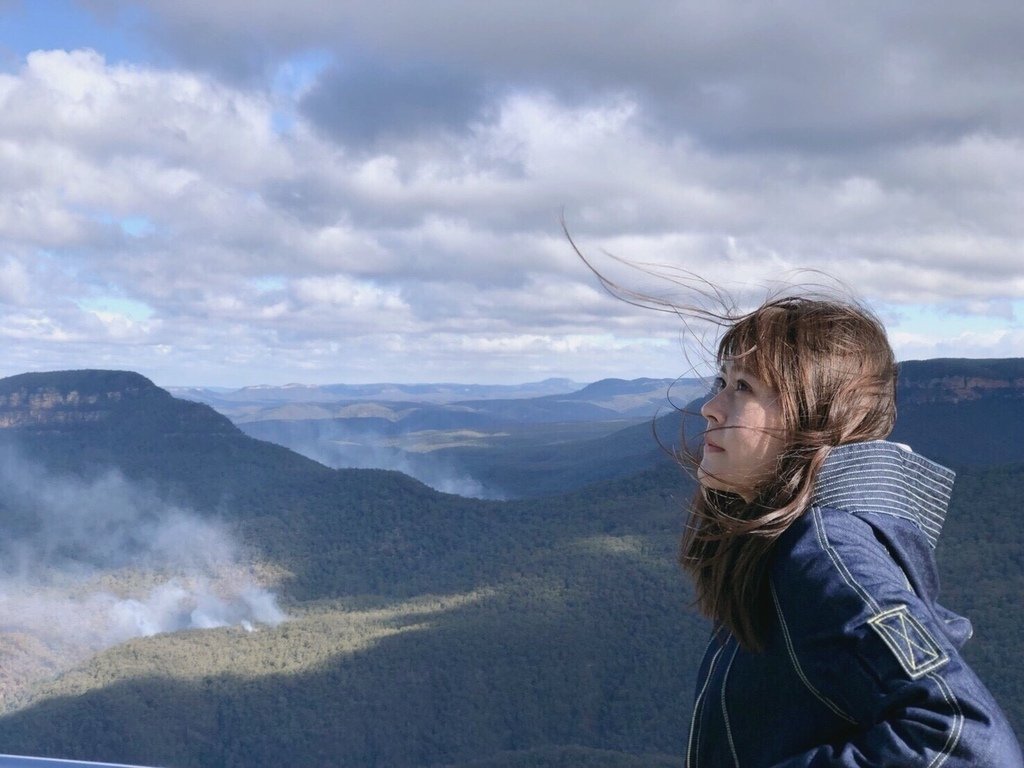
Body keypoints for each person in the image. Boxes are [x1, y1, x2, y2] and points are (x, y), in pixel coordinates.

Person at [680, 296, 1024, 766]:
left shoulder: (825, 551)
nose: (710, 408)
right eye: (722, 381)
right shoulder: (798, 541)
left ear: (817, 416)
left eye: (743, 386)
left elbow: (968, 741)